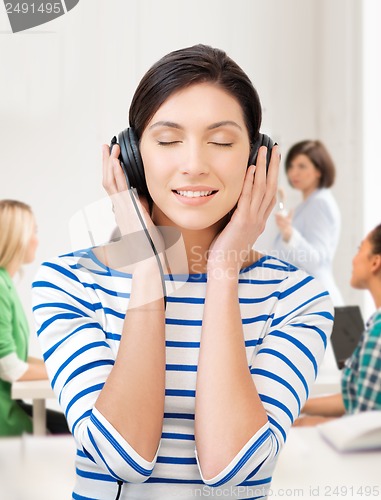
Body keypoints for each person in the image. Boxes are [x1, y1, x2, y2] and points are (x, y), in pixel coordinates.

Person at [32, 45, 334, 499]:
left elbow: (234, 468)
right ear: (132, 156)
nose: (194, 164)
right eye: (169, 139)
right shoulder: (67, 283)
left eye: (221, 141)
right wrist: (148, 269)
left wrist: (223, 271)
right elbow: (120, 456)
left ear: (257, 160)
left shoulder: (299, 298)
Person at [294, 223, 381, 426]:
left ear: (375, 262)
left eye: (360, 249)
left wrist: (307, 424)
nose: (354, 258)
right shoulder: (375, 323)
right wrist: (298, 405)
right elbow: (353, 398)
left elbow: (367, 425)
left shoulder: (377, 333)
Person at [0, 199, 69, 436]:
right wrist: (68, 371)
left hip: (11, 405)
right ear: (16, 236)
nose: (37, 239)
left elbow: (14, 357)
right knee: (77, 436)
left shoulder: (5, 283)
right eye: (34, 231)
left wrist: (61, 363)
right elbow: (11, 369)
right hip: (5, 417)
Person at [272, 140, 344, 306]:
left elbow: (316, 261)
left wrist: (289, 234)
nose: (293, 173)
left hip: (319, 301)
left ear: (319, 170)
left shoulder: (320, 203)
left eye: (302, 166)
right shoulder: (308, 204)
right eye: (291, 166)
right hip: (309, 299)